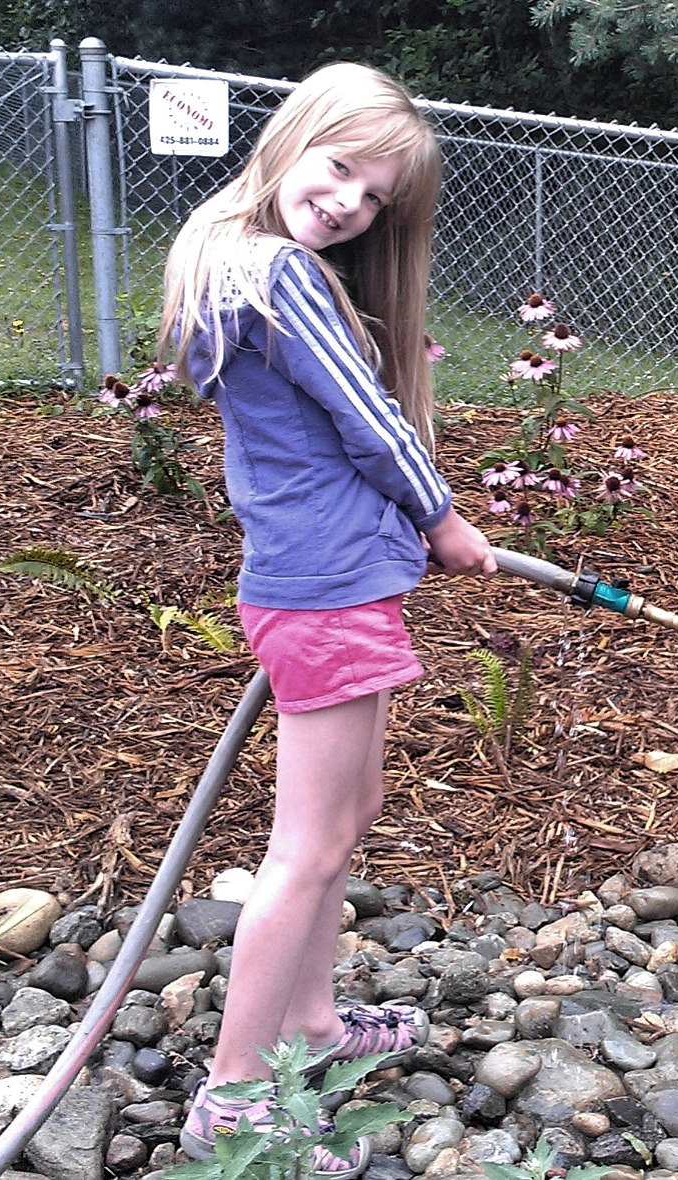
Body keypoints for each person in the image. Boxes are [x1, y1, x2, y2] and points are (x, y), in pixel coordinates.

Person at [159, 61, 495, 1174]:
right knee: (304, 852)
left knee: (349, 812)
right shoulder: (282, 273)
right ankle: (237, 1091)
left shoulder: (228, 264)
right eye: (341, 164)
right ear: (292, 137)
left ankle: (309, 1023)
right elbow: (368, 422)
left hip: (330, 581)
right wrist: (442, 519)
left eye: (375, 195)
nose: (350, 199)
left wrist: (406, 538)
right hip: (328, 589)